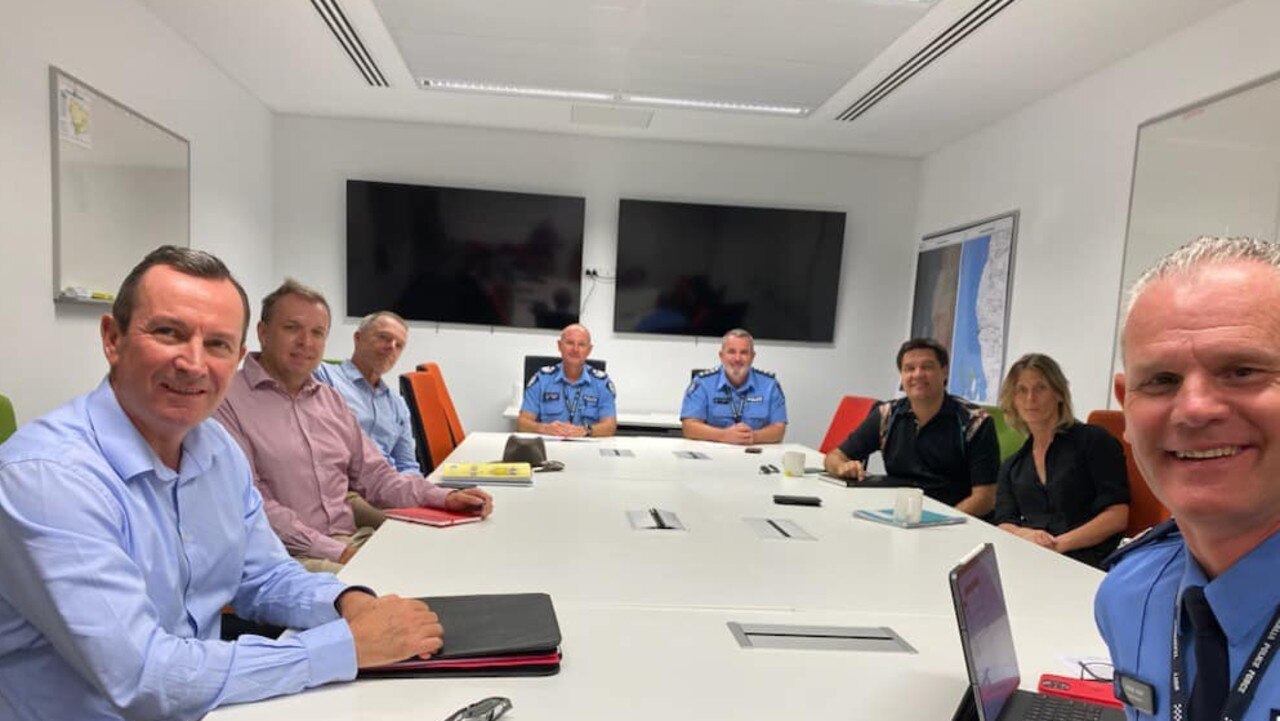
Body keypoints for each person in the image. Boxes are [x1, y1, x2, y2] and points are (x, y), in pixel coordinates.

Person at [0, 246, 448, 720]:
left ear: (237, 355)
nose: (193, 363)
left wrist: (347, 603)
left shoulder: (213, 447)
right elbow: (144, 676)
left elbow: (263, 573)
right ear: (113, 338)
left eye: (216, 344)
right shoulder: (49, 479)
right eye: (169, 333)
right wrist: (343, 647)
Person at [1096, 236, 1280, 720]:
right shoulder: (1128, 595)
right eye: (1161, 380)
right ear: (1126, 406)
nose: (1195, 408)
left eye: (1241, 370)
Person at [215, 280, 492, 573]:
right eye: (292, 328)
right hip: (283, 556)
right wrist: (340, 552)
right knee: (396, 589)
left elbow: (377, 477)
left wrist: (445, 497)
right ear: (263, 332)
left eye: (317, 333)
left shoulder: (329, 399)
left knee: (452, 561)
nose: (306, 342)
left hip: (348, 541)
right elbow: (254, 506)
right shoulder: (227, 400)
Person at [823, 338, 998, 515]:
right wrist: (841, 467)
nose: (918, 374)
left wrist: (943, 521)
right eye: (909, 369)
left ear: (944, 372)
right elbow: (833, 457)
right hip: (898, 514)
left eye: (927, 367)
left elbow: (985, 498)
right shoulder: (887, 415)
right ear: (902, 375)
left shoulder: (975, 422)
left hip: (952, 519)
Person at [991, 353, 1130, 568]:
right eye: (1022, 390)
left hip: (1091, 563)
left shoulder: (1093, 441)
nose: (1030, 399)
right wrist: (1025, 534)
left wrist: (1058, 545)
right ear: (1013, 400)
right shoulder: (1013, 465)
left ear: (1058, 394)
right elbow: (1003, 523)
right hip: (1036, 560)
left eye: (1040, 388)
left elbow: (1117, 516)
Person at [315, 310, 419, 473]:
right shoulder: (323, 377)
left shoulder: (397, 405)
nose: (391, 347)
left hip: (390, 488)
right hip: (343, 484)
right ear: (358, 338)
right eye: (384, 337)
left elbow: (407, 466)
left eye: (399, 345)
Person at [681, 328, 787, 445]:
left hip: (756, 454)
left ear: (752, 356)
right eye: (732, 352)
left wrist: (753, 436)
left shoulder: (770, 385)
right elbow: (689, 427)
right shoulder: (703, 383)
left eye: (744, 352)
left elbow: (779, 429)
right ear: (721, 356)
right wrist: (724, 435)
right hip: (713, 456)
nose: (737, 358)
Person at [518, 323, 618, 437]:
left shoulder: (602, 383)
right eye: (570, 343)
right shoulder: (542, 379)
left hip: (587, 449)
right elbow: (522, 423)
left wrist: (586, 430)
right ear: (559, 346)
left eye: (581, 344)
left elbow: (610, 426)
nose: (575, 349)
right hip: (549, 448)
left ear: (589, 350)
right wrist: (544, 428)